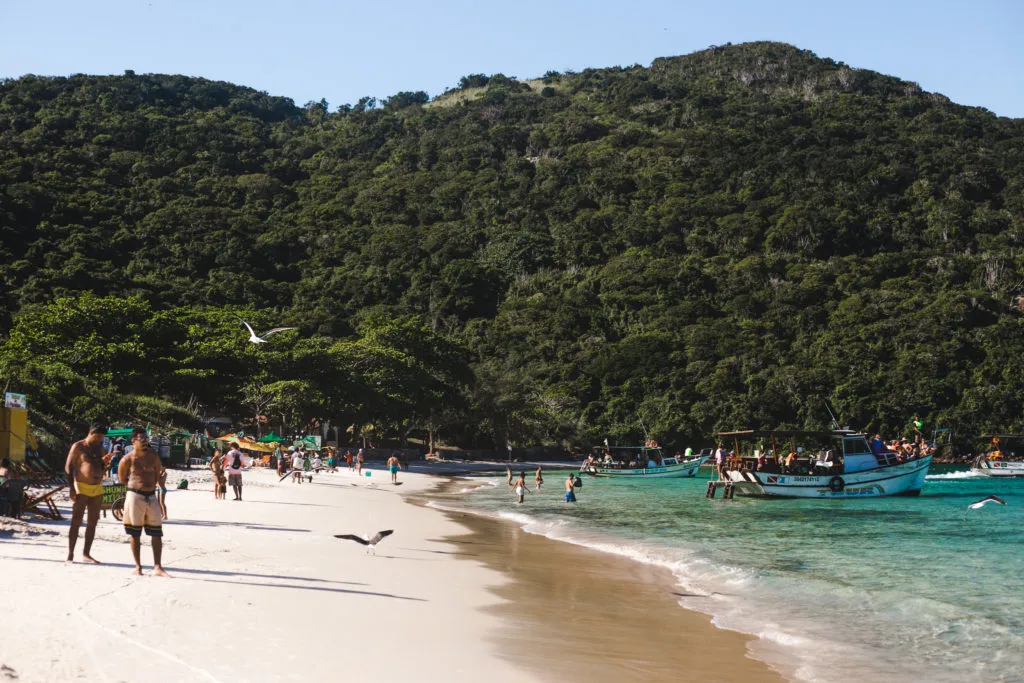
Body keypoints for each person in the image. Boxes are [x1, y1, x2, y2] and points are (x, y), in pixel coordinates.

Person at [117, 428, 169, 576]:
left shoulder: (153, 456)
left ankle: (158, 566)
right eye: (141, 439)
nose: (145, 441)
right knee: (135, 533)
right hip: (135, 496)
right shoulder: (127, 459)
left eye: (146, 438)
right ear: (133, 441)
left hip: (151, 496)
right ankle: (138, 566)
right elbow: (122, 480)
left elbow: (158, 475)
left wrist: (161, 482)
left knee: (157, 532)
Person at [64, 423, 109, 564]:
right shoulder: (78, 446)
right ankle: (70, 553)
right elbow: (68, 467)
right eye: (98, 436)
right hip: (81, 487)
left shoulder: (101, 448)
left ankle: (86, 553)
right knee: (76, 521)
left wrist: (106, 463)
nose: (100, 439)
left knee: (92, 523)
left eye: (102, 437)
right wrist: (71, 488)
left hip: (97, 488)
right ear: (91, 433)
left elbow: (102, 468)